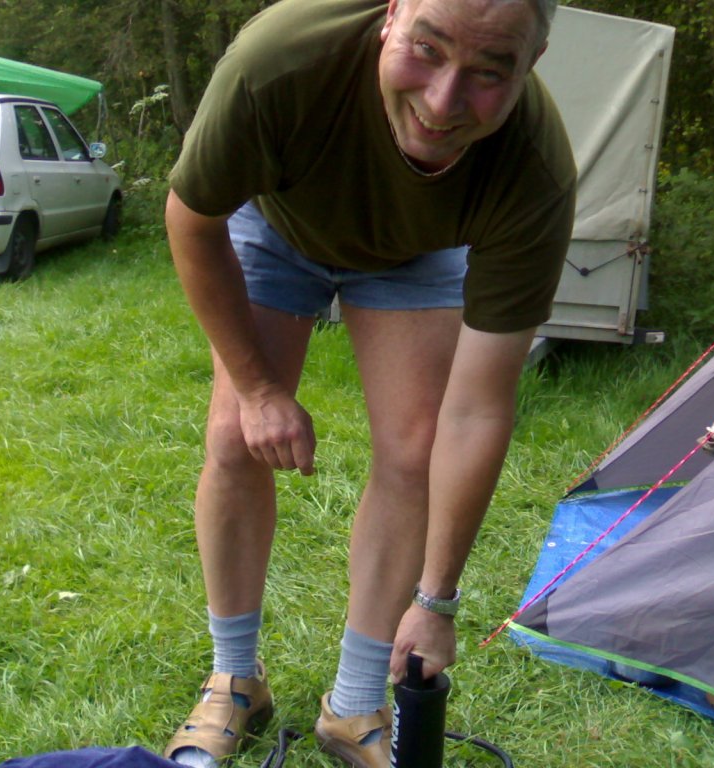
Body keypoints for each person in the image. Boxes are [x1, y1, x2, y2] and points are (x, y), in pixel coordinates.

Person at [162, 0, 575, 765]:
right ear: (393, 14)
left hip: (415, 255)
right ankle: (234, 678)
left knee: (414, 451)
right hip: (277, 219)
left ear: (533, 62)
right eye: (428, 49)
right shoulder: (279, 59)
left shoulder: (533, 170)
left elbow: (477, 410)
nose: (442, 103)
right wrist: (258, 392)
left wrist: (437, 600)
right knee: (234, 436)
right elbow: (192, 219)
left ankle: (354, 703)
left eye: (489, 72)